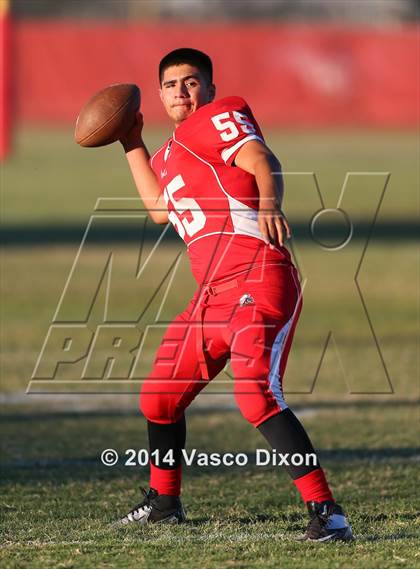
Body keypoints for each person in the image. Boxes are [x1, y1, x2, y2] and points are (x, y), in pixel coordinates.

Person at [115, 48, 353, 542]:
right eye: (171, 84)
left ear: (210, 88)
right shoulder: (169, 151)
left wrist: (269, 203)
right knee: (158, 399)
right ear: (157, 94)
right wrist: (132, 142)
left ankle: (327, 512)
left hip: (257, 275)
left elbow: (261, 158)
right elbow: (161, 210)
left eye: (191, 81)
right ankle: (164, 504)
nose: (181, 91)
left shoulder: (219, 116)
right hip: (211, 294)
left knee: (254, 393)